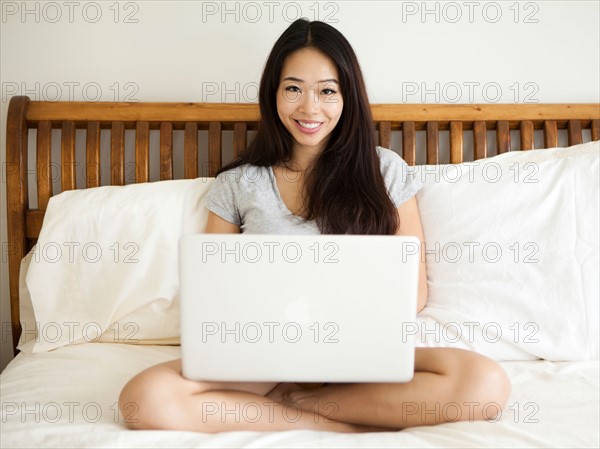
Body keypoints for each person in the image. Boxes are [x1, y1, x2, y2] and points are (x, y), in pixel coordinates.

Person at [119, 18, 510, 433]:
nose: (309, 108)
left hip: (360, 349)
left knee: (485, 383)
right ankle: (329, 424)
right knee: (143, 398)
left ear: (347, 98)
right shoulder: (238, 184)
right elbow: (213, 288)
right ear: (274, 94)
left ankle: (315, 403)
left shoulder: (385, 171)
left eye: (327, 91)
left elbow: (412, 292)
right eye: (293, 89)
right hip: (264, 353)